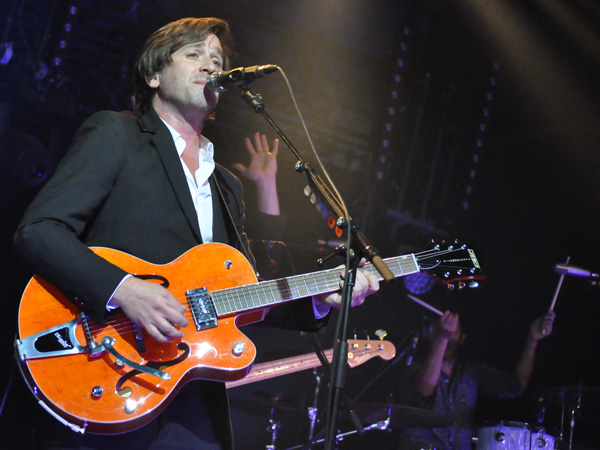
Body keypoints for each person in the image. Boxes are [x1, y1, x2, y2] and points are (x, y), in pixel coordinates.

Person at [12, 17, 379, 450]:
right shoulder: (118, 134)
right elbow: (39, 230)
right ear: (153, 75)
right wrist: (123, 290)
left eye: (217, 59)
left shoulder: (225, 185)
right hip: (108, 363)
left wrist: (319, 299)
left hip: (190, 389)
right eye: (193, 54)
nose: (209, 64)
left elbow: (240, 291)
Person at [397, 310, 556, 450]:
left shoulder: (471, 371)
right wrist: (442, 338)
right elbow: (425, 389)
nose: (446, 334)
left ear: (462, 338)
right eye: (439, 330)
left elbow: (515, 387)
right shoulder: (413, 366)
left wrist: (531, 341)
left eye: (453, 331)